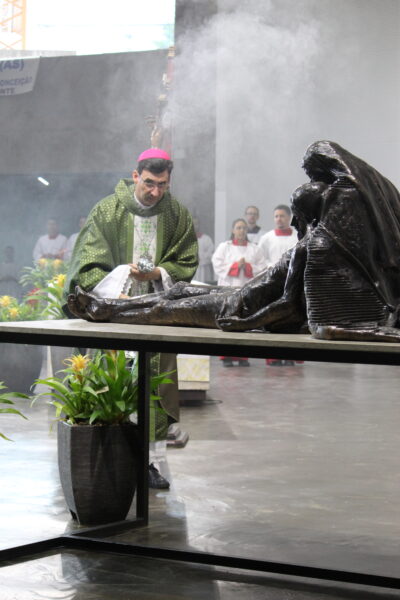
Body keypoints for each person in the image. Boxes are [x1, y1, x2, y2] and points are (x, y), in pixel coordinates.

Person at [65, 148, 198, 489]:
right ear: (135, 175)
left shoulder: (176, 215)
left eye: (163, 185)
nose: (155, 192)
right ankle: (109, 460)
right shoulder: (107, 211)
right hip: (114, 314)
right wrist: (122, 279)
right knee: (111, 382)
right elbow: (88, 264)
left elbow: (185, 260)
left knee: (153, 388)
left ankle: (149, 463)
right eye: (149, 183)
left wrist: (156, 273)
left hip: (157, 316)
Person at [211, 218, 267, 367]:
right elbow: (217, 263)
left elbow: (263, 267)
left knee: (245, 323)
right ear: (233, 230)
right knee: (228, 322)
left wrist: (247, 267)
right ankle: (226, 357)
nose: (241, 231)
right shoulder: (225, 247)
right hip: (228, 290)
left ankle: (243, 357)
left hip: (247, 291)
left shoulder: (254, 249)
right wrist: (235, 266)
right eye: (238, 228)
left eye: (244, 228)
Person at [259, 205, 302, 366]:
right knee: (272, 317)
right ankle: (273, 357)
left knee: (292, 318)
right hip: (273, 282)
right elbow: (260, 259)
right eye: (276, 216)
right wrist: (271, 268)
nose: (279, 219)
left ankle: (290, 355)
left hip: (293, 282)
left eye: (282, 216)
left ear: (289, 217)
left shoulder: (297, 237)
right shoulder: (267, 238)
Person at [192, 216, 214, 283]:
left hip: (203, 270)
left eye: (196, 224)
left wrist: (200, 257)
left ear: (199, 225)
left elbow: (211, 254)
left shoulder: (206, 239)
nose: (194, 226)